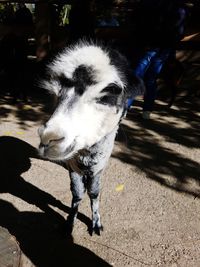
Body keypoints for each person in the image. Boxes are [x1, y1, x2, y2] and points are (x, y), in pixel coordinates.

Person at [127, 0, 188, 119]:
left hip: (149, 43)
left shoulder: (150, 3)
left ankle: (125, 106)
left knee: (137, 75)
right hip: (165, 47)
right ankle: (147, 111)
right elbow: (181, 31)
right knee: (151, 78)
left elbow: (135, 19)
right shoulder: (180, 6)